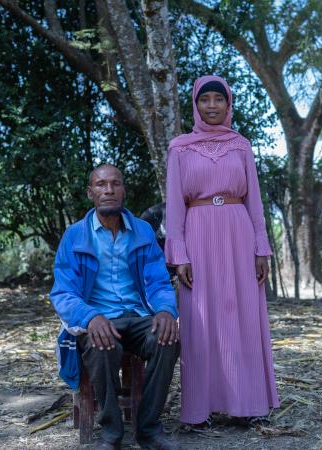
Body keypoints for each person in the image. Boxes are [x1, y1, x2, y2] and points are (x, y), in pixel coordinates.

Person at [165, 75, 280, 427]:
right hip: (198, 236)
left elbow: (255, 202)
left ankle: (247, 405)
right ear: (195, 106)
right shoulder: (180, 148)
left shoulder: (242, 145)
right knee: (200, 322)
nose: (211, 105)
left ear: (228, 105)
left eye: (218, 99)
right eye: (205, 99)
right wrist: (179, 255)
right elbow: (174, 207)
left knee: (243, 318)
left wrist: (261, 248)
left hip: (238, 233)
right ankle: (198, 411)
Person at [50, 164, 181, 450]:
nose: (108, 190)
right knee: (101, 344)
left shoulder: (143, 232)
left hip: (138, 315)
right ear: (90, 192)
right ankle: (111, 432)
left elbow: (159, 282)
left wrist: (165, 311)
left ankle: (148, 429)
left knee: (167, 338)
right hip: (98, 319)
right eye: (100, 184)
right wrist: (90, 316)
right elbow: (63, 292)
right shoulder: (75, 236)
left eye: (115, 184)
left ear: (123, 190)